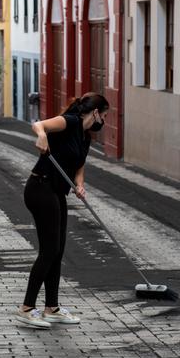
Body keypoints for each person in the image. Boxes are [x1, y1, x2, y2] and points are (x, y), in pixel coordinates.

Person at [15, 92, 109, 329]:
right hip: (40, 188)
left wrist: (79, 184)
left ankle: (52, 308)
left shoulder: (85, 136)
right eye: (104, 115)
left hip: (57, 191)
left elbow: (79, 165)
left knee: (57, 251)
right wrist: (42, 136)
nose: (104, 122)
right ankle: (26, 308)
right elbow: (38, 124)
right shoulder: (70, 121)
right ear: (95, 112)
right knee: (49, 251)